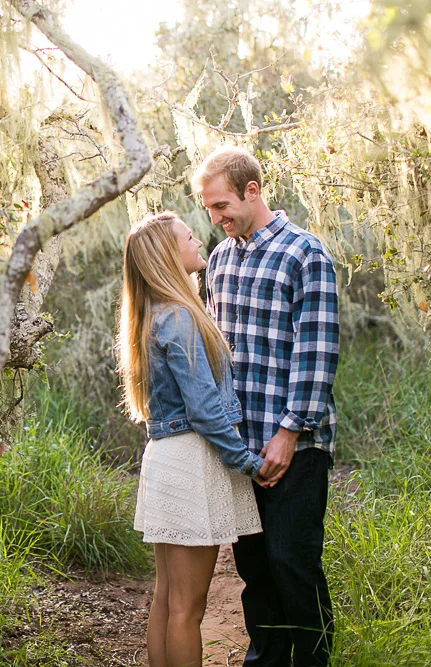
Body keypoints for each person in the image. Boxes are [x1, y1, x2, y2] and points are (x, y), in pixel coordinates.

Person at [195, 146, 339, 667]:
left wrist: (289, 432)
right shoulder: (219, 260)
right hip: (242, 447)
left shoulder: (305, 253)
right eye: (209, 209)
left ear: (252, 191)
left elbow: (317, 350)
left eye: (220, 205)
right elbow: (216, 352)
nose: (215, 217)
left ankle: (314, 660)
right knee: (255, 566)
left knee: (292, 560)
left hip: (296, 446)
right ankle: (267, 659)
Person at [118, 211, 266, 667]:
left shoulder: (153, 315)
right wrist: (247, 461)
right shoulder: (180, 317)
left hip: (166, 457)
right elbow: (204, 409)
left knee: (167, 599)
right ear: (168, 253)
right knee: (187, 608)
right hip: (190, 461)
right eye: (187, 237)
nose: (198, 242)